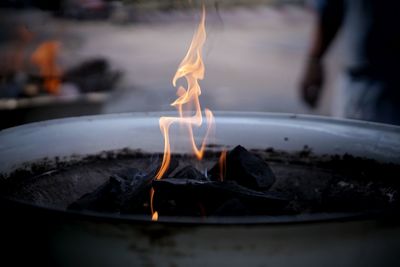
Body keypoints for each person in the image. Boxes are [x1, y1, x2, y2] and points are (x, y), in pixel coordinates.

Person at [300, 0, 400, 125]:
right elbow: (332, 10)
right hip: (368, 78)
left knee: (359, 139)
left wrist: (314, 61)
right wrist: (314, 61)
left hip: (368, 81)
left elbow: (330, 10)